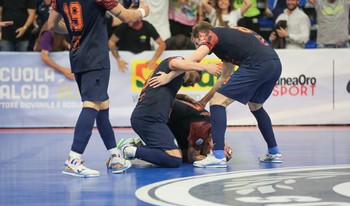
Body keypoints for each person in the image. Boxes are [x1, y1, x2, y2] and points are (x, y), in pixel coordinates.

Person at [149, 21, 283, 167]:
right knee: (256, 106)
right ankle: (274, 151)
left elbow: (194, 59)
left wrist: (168, 77)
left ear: (200, 35)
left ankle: (218, 156)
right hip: (274, 64)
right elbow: (224, 77)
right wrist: (205, 100)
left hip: (257, 64)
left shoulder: (211, 35)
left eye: (197, 43)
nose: (199, 46)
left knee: (218, 102)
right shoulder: (227, 41)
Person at [47, 0, 149, 177]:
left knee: (102, 105)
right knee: (92, 104)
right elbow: (125, 16)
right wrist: (142, 12)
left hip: (78, 56)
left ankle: (115, 156)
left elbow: (51, 25)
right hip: (95, 56)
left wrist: (73, 29)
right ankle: (73, 159)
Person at [118, 56, 222, 168]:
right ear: (192, 69)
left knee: (179, 154)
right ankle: (127, 150)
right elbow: (175, 63)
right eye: (196, 79)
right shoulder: (176, 64)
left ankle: (140, 146)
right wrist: (206, 67)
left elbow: (157, 93)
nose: (192, 84)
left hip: (154, 119)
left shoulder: (171, 80)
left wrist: (181, 96)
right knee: (174, 159)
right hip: (149, 119)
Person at [168, 96, 233, 163]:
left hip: (179, 118)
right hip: (165, 115)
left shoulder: (214, 130)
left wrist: (221, 147)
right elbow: (193, 157)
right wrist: (214, 158)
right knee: (178, 156)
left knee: (187, 152)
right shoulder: (202, 129)